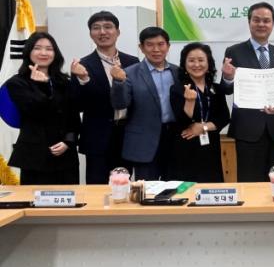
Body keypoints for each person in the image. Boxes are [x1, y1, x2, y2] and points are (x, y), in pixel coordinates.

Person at [221, 2, 274, 182]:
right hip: (247, 130)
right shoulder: (234, 52)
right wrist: (228, 77)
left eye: (266, 20)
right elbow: (227, 90)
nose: (261, 24)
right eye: (256, 20)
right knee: (249, 182)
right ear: (249, 22)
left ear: (273, 24)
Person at [70, 11, 139, 184]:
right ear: (90, 34)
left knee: (125, 186)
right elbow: (77, 105)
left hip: (127, 135)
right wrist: (83, 80)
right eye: (96, 28)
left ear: (117, 32)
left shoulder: (132, 62)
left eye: (108, 27)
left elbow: (137, 99)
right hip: (97, 137)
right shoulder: (82, 65)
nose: (102, 32)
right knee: (97, 187)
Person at [6, 32, 80, 184]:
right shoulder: (17, 83)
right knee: (34, 198)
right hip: (35, 157)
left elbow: (73, 117)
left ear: (55, 53)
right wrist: (42, 86)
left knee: (70, 197)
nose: (44, 53)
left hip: (65, 157)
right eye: (37, 48)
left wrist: (68, 142)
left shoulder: (63, 81)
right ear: (29, 52)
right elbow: (37, 112)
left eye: (49, 49)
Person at [111, 27, 180, 180]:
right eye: (150, 45)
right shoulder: (129, 73)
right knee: (147, 189)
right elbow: (120, 104)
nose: (156, 49)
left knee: (175, 188)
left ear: (168, 46)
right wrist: (118, 81)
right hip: (144, 142)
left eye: (161, 44)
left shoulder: (178, 72)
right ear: (141, 47)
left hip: (174, 140)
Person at [169, 43, 230, 182]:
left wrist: (203, 127)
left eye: (201, 60)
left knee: (211, 186)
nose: (196, 64)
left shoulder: (216, 88)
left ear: (208, 63)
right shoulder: (177, 89)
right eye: (191, 60)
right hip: (185, 146)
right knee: (186, 189)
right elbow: (182, 121)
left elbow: (224, 117)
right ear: (184, 64)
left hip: (210, 146)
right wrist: (189, 101)